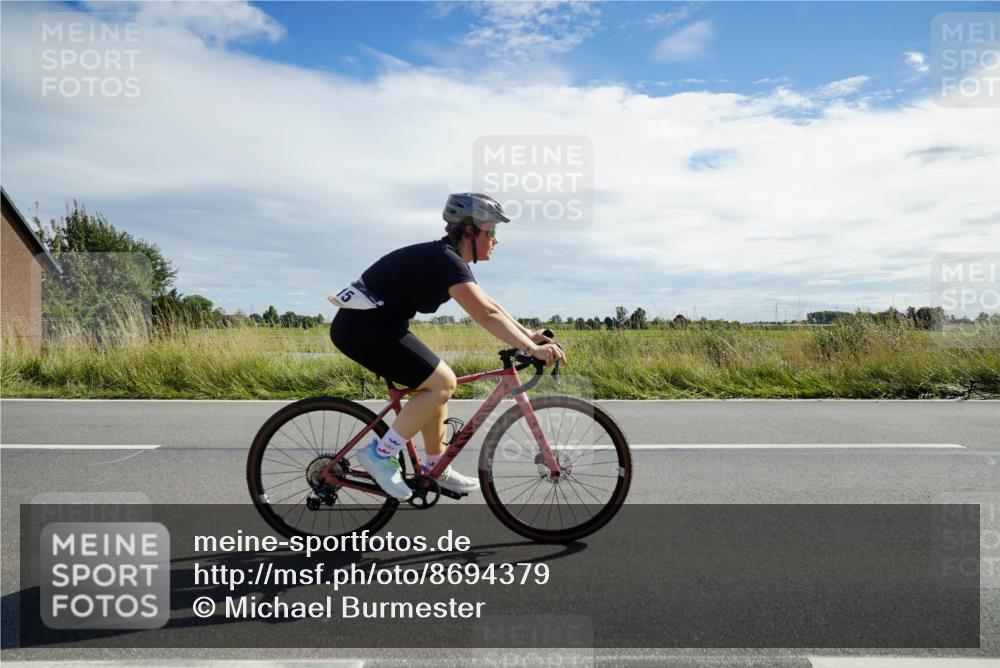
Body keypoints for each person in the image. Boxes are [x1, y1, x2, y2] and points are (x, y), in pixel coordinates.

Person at [329, 193, 567, 501]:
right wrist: (531, 348)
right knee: (442, 382)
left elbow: (491, 305)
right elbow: (486, 314)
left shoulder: (448, 259)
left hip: (377, 326)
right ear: (469, 231)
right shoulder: (445, 260)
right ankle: (380, 454)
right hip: (362, 328)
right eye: (491, 231)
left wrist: (529, 336)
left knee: (438, 381)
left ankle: (434, 465)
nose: (496, 239)